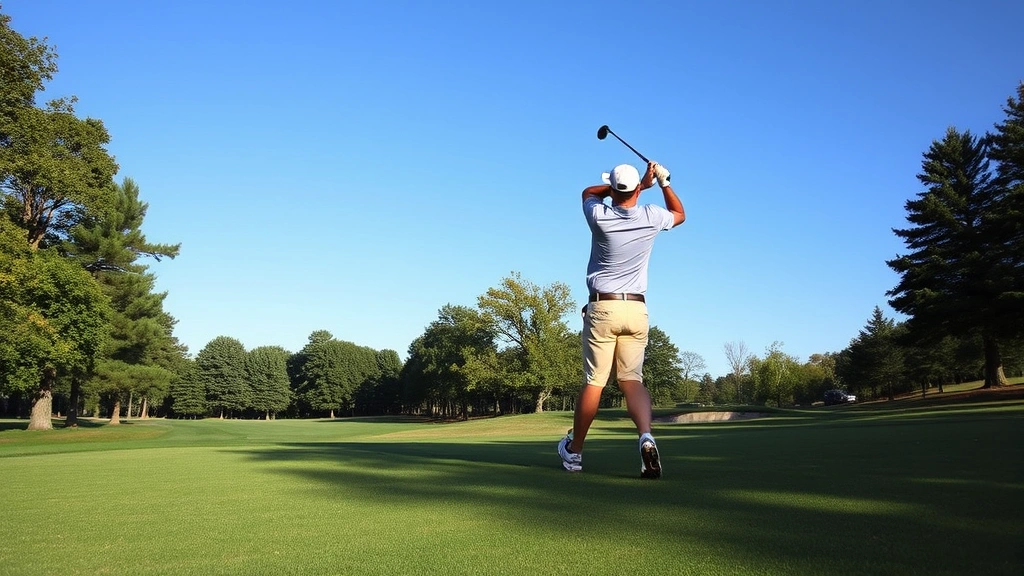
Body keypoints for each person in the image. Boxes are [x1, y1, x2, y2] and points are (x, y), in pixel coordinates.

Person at [558, 160, 685, 478]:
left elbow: (589, 192)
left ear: (613, 190)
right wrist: (663, 182)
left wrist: (639, 184)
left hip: (603, 308)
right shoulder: (652, 216)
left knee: (595, 382)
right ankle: (646, 436)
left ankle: (575, 453)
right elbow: (680, 215)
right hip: (636, 310)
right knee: (632, 380)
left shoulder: (599, 216)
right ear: (636, 193)